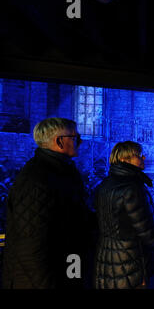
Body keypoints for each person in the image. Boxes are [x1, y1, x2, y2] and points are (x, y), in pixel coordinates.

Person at [2, 118, 95, 289]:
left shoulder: (63, 172)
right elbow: (30, 245)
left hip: (67, 267)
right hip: (44, 279)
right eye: (75, 137)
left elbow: (75, 219)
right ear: (59, 141)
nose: (80, 142)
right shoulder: (37, 178)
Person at [94, 141, 154, 289]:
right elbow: (150, 236)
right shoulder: (132, 188)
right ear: (124, 160)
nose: (143, 157)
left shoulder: (104, 185)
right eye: (138, 155)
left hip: (107, 262)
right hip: (130, 267)